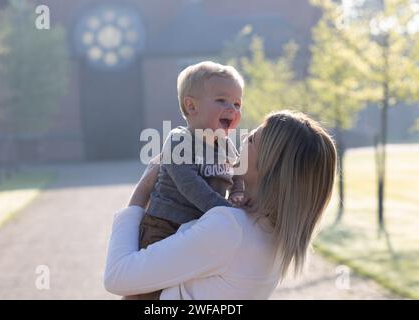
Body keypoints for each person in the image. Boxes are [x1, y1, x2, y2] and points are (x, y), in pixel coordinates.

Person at [104, 110, 337, 300]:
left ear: (270, 167)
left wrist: (143, 189)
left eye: (253, 139)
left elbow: (118, 276)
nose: (243, 139)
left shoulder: (231, 228)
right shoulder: (276, 237)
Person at [136, 61, 245, 252]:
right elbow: (190, 185)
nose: (233, 109)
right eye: (222, 100)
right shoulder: (180, 141)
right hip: (167, 224)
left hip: (202, 223)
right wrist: (225, 209)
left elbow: (238, 172)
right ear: (192, 106)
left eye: (237, 104)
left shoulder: (225, 144)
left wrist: (237, 191)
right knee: (159, 274)